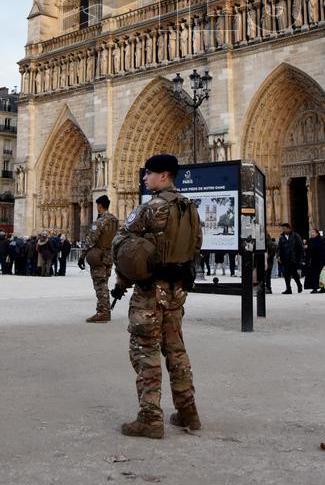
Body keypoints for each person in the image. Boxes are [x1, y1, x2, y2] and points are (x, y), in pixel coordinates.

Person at [112, 153, 202, 439]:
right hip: (176, 293)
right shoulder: (191, 208)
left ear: (164, 175)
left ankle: (150, 418)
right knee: (176, 351)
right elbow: (196, 246)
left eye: (148, 173)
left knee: (145, 351)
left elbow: (124, 246)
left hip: (150, 293)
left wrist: (123, 281)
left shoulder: (151, 208)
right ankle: (188, 412)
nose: (143, 178)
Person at [78, 195, 119, 322]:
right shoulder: (114, 220)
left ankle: (102, 312)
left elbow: (91, 241)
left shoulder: (99, 222)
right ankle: (105, 310)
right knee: (104, 283)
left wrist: (82, 256)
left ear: (100, 206)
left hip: (99, 256)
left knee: (100, 285)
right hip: (109, 256)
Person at [277, 223, 303, 294]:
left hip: (293, 258)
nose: (283, 230)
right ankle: (288, 289)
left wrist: (300, 258)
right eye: (282, 229)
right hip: (285, 259)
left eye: (284, 228)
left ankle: (299, 285)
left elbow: (300, 247)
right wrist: (278, 255)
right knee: (286, 274)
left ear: (289, 228)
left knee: (294, 274)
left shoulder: (295, 236)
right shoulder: (281, 237)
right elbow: (279, 248)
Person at [304, 229, 325, 293]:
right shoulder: (310, 240)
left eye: (313, 232)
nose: (312, 233)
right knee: (313, 275)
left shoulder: (320, 240)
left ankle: (321, 288)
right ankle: (315, 288)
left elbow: (322, 250)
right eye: (311, 232)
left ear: (317, 233)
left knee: (320, 275)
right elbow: (308, 251)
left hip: (320, 261)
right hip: (312, 261)